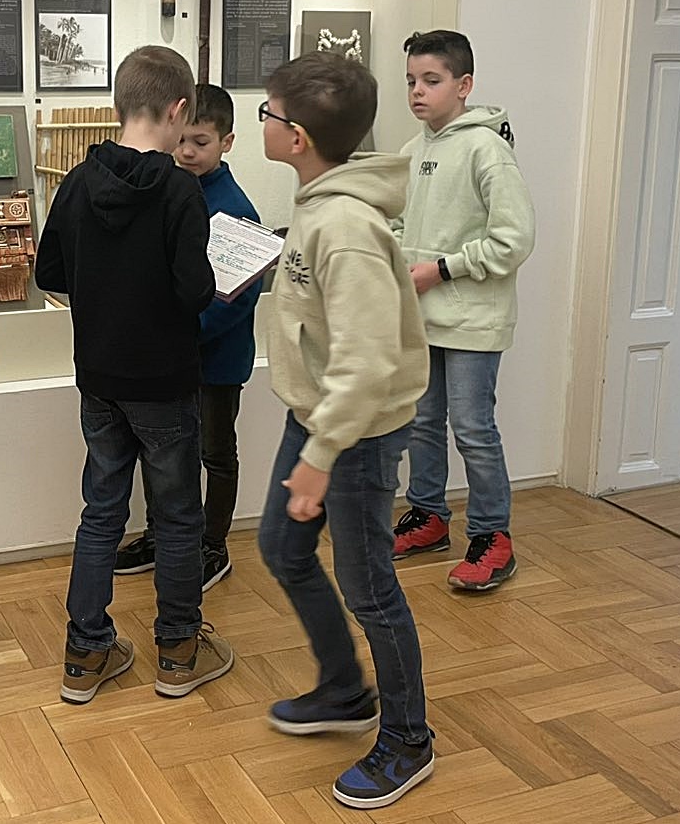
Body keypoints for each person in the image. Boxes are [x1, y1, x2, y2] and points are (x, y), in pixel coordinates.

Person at [256, 51, 435, 810]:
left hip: (355, 434)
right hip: (318, 417)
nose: (261, 122)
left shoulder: (348, 227)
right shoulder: (317, 203)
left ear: (296, 136)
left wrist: (323, 454)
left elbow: (366, 362)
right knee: (282, 546)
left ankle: (408, 738)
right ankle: (342, 688)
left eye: (266, 113)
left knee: (371, 588)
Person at [36, 46, 234, 705]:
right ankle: (178, 650)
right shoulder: (179, 191)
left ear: (121, 105)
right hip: (165, 382)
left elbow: (49, 272)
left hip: (99, 379)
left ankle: (85, 651)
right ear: (178, 110)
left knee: (101, 511)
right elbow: (195, 291)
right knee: (177, 516)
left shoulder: (76, 182)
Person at [390, 30, 535, 592]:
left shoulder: (487, 150)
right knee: (422, 422)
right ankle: (428, 517)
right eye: (411, 80)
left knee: (473, 429)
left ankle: (492, 536)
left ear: (464, 85)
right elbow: (401, 225)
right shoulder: (413, 150)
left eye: (431, 80)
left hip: (473, 321)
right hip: (423, 316)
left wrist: (442, 270)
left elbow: (513, 240)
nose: (417, 91)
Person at [114, 83, 261, 592]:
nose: (188, 152)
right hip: (169, 356)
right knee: (163, 454)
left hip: (215, 361)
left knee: (215, 454)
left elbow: (231, 300)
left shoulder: (237, 210)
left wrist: (176, 333)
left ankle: (212, 546)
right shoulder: (164, 191)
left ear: (227, 142)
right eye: (182, 140)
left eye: (202, 142)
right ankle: (162, 536)